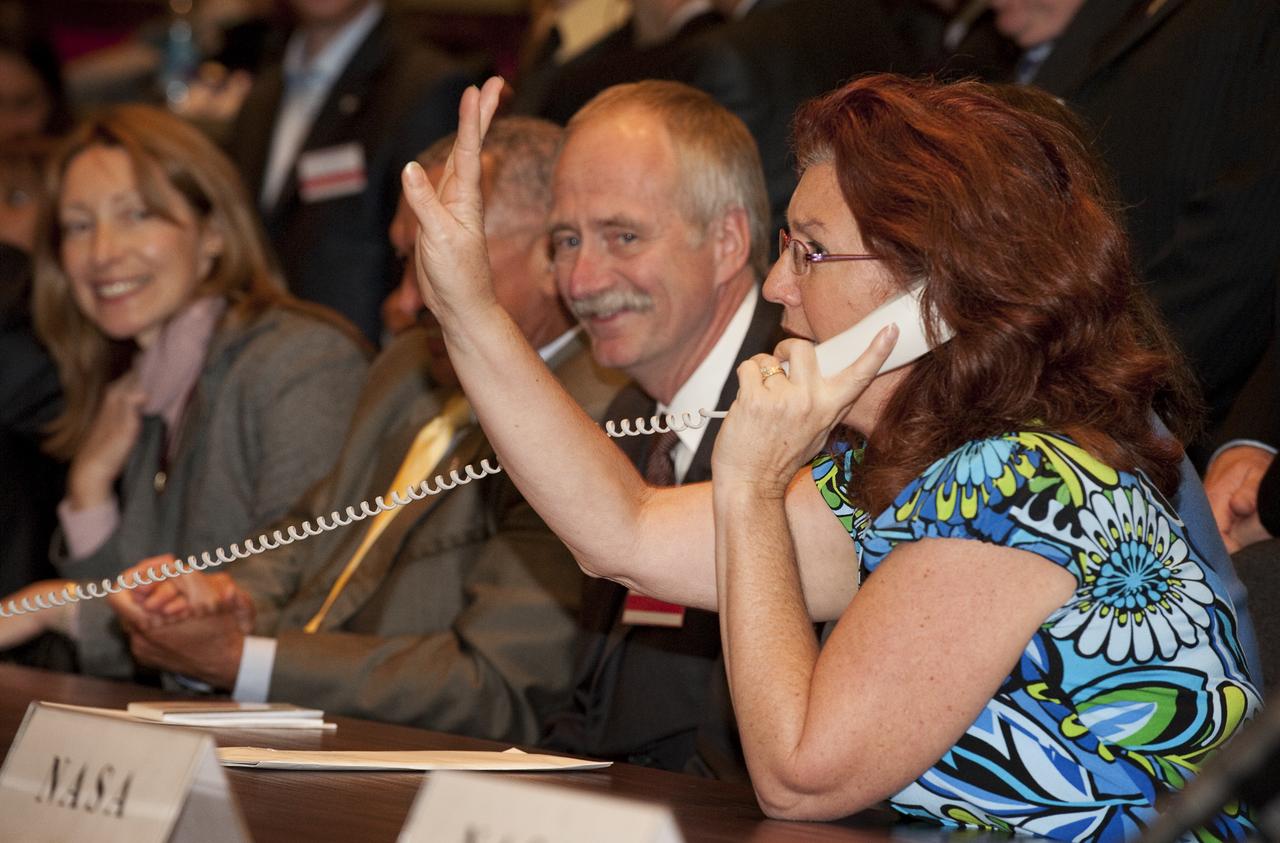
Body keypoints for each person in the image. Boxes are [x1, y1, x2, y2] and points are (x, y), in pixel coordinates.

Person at [402, 75, 1260, 838]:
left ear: (936, 288)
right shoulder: (914, 474)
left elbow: (801, 773)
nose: (778, 286)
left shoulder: (1027, 482)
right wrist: (470, 309)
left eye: (809, 251)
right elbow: (619, 532)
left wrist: (751, 483)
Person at [94, 118, 625, 743]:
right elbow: (309, 536)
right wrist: (217, 599)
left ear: (550, 256)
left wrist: (242, 660)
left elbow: (495, 688)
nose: (401, 301)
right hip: (281, 731)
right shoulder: (407, 366)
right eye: (406, 259)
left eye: (434, 257)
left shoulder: (595, 418)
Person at [0, 104, 368, 677]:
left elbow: (297, 596)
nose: (102, 252)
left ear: (214, 233)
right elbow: (124, 648)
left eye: (137, 215)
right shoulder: (147, 388)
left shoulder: (298, 362)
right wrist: (90, 489)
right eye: (77, 225)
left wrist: (57, 609)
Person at [536, 81, 778, 778]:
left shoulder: (799, 421)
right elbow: (592, 708)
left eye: (623, 236)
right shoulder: (623, 417)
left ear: (728, 240)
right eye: (566, 240)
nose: (581, 279)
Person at [989, 0, 1280, 447]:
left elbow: (1246, 237)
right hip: (1096, 378)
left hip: (1169, 402)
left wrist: (1108, 379)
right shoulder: (1122, 19)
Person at [226, 0, 473, 343]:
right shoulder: (262, 93)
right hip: (260, 354)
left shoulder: (426, 86)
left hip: (365, 363)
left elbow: (425, 259)